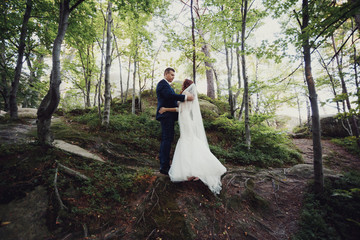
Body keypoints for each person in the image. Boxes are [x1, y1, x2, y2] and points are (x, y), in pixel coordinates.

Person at [159, 79, 227, 194]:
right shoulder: (191, 95)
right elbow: (182, 109)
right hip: (186, 120)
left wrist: (165, 109)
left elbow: (179, 109)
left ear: (186, 85)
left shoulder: (186, 94)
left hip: (185, 120)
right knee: (190, 142)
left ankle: (195, 171)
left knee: (187, 141)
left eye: (183, 84)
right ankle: (194, 171)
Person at [156, 68, 194, 176]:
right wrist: (185, 97)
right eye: (171, 75)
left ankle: (166, 165)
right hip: (166, 116)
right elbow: (169, 96)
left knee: (168, 139)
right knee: (166, 140)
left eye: (174, 75)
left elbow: (171, 100)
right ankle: (164, 167)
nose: (173, 77)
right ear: (166, 74)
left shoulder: (167, 86)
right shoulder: (162, 84)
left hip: (169, 116)